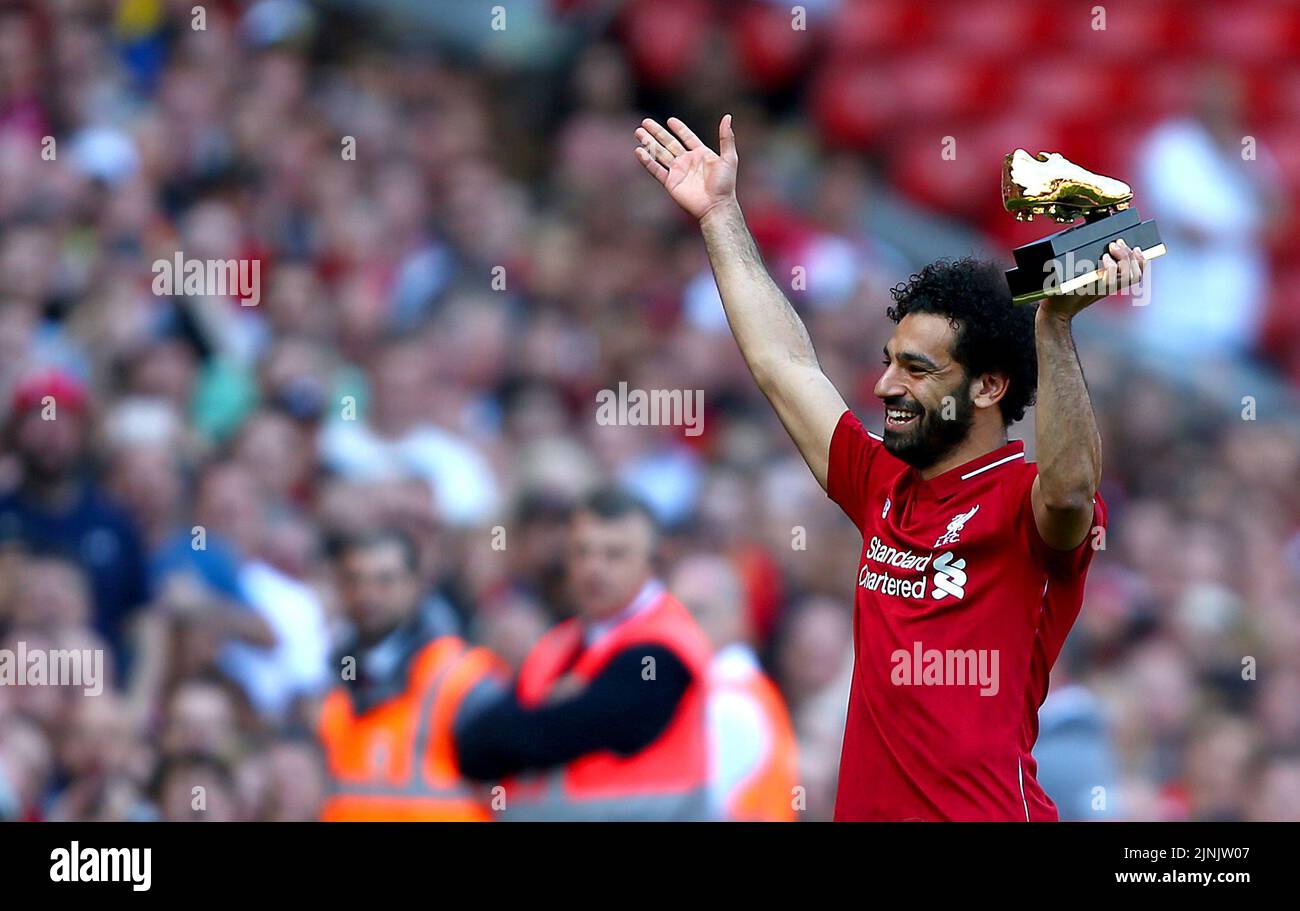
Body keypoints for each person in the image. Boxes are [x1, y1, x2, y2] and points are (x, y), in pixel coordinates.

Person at [634, 115, 1146, 821]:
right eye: (888, 364)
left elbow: (1069, 489)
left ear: (989, 387)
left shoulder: (1024, 503)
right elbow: (784, 365)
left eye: (916, 369)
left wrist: (1053, 328)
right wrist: (721, 216)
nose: (885, 388)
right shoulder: (880, 484)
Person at [454, 487, 715, 821]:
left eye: (614, 554)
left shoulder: (664, 648)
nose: (593, 568)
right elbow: (475, 745)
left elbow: (561, 734)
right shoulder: (556, 645)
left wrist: (549, 717)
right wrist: (553, 717)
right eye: (582, 552)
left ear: (654, 560)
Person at [316, 529, 503, 821]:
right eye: (354, 580)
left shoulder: (460, 677)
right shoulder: (336, 676)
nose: (367, 594)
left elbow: (505, 784)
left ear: (415, 586)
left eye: (385, 580)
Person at [671, 554, 799, 822]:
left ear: (737, 617)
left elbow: (697, 810)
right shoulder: (742, 688)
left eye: (698, 610)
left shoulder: (727, 702)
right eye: (674, 611)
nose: (682, 624)